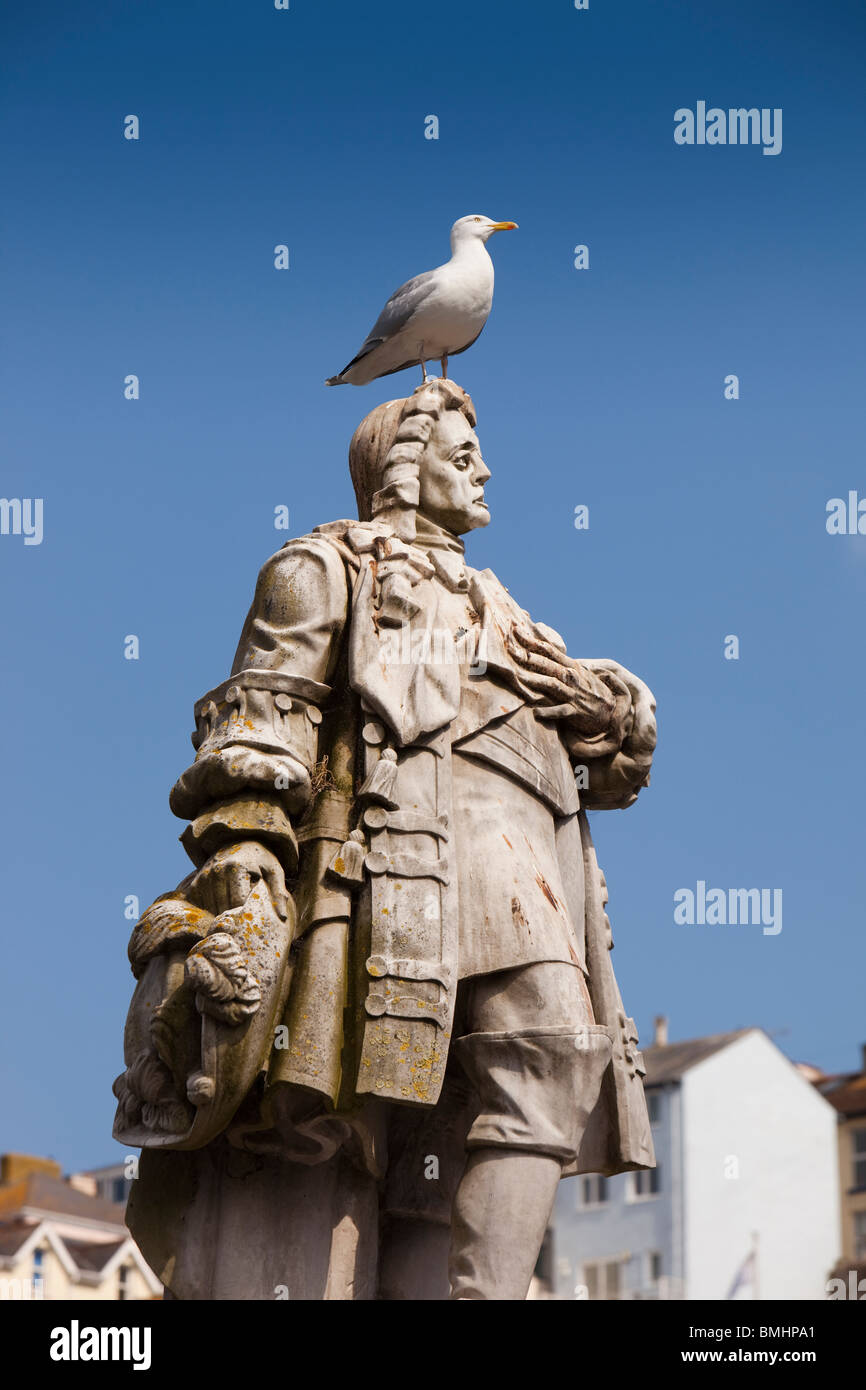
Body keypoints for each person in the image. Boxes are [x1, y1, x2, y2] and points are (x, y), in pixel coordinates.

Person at [114, 377, 657, 1300]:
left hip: (529, 865)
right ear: (403, 471)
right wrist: (244, 852)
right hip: (405, 857)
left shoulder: (512, 611)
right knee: (449, 1097)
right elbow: (263, 717)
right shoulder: (327, 566)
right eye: (462, 454)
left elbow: (611, 768)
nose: (485, 469)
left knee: (548, 1064)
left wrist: (610, 709)